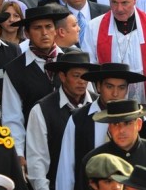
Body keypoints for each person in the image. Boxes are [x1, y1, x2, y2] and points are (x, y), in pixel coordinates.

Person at [56, 63, 146, 190]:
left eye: (121, 87)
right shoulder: (78, 119)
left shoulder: (137, 118)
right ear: (98, 86)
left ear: (127, 89)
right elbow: (66, 167)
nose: (115, 93)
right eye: (109, 87)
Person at [1, 5, 70, 169]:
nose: (44, 33)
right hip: (34, 150)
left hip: (70, 143)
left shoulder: (70, 61)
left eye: (48, 27)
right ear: (27, 33)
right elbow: (12, 117)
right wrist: (18, 153)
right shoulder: (14, 70)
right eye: (37, 28)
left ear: (56, 30)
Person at [26, 50, 99, 190]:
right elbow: (37, 162)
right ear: (62, 76)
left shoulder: (98, 105)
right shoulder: (42, 110)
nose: (82, 81)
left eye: (85, 77)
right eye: (76, 76)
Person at [79, 99, 146, 190]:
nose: (121, 130)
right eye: (116, 124)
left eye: (127, 123)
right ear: (109, 127)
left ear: (139, 124)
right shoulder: (93, 161)